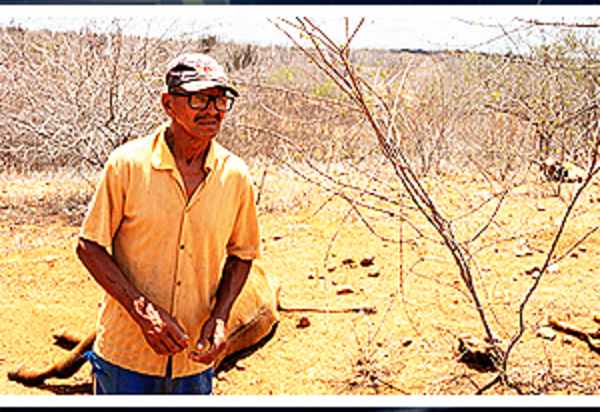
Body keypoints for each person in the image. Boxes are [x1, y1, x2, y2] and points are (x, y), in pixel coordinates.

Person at [76, 53, 261, 395]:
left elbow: (243, 254)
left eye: (220, 99)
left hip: (196, 361)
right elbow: (89, 245)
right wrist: (142, 312)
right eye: (199, 98)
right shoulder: (127, 164)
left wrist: (220, 318)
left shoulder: (235, 175)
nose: (212, 109)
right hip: (126, 358)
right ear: (168, 104)